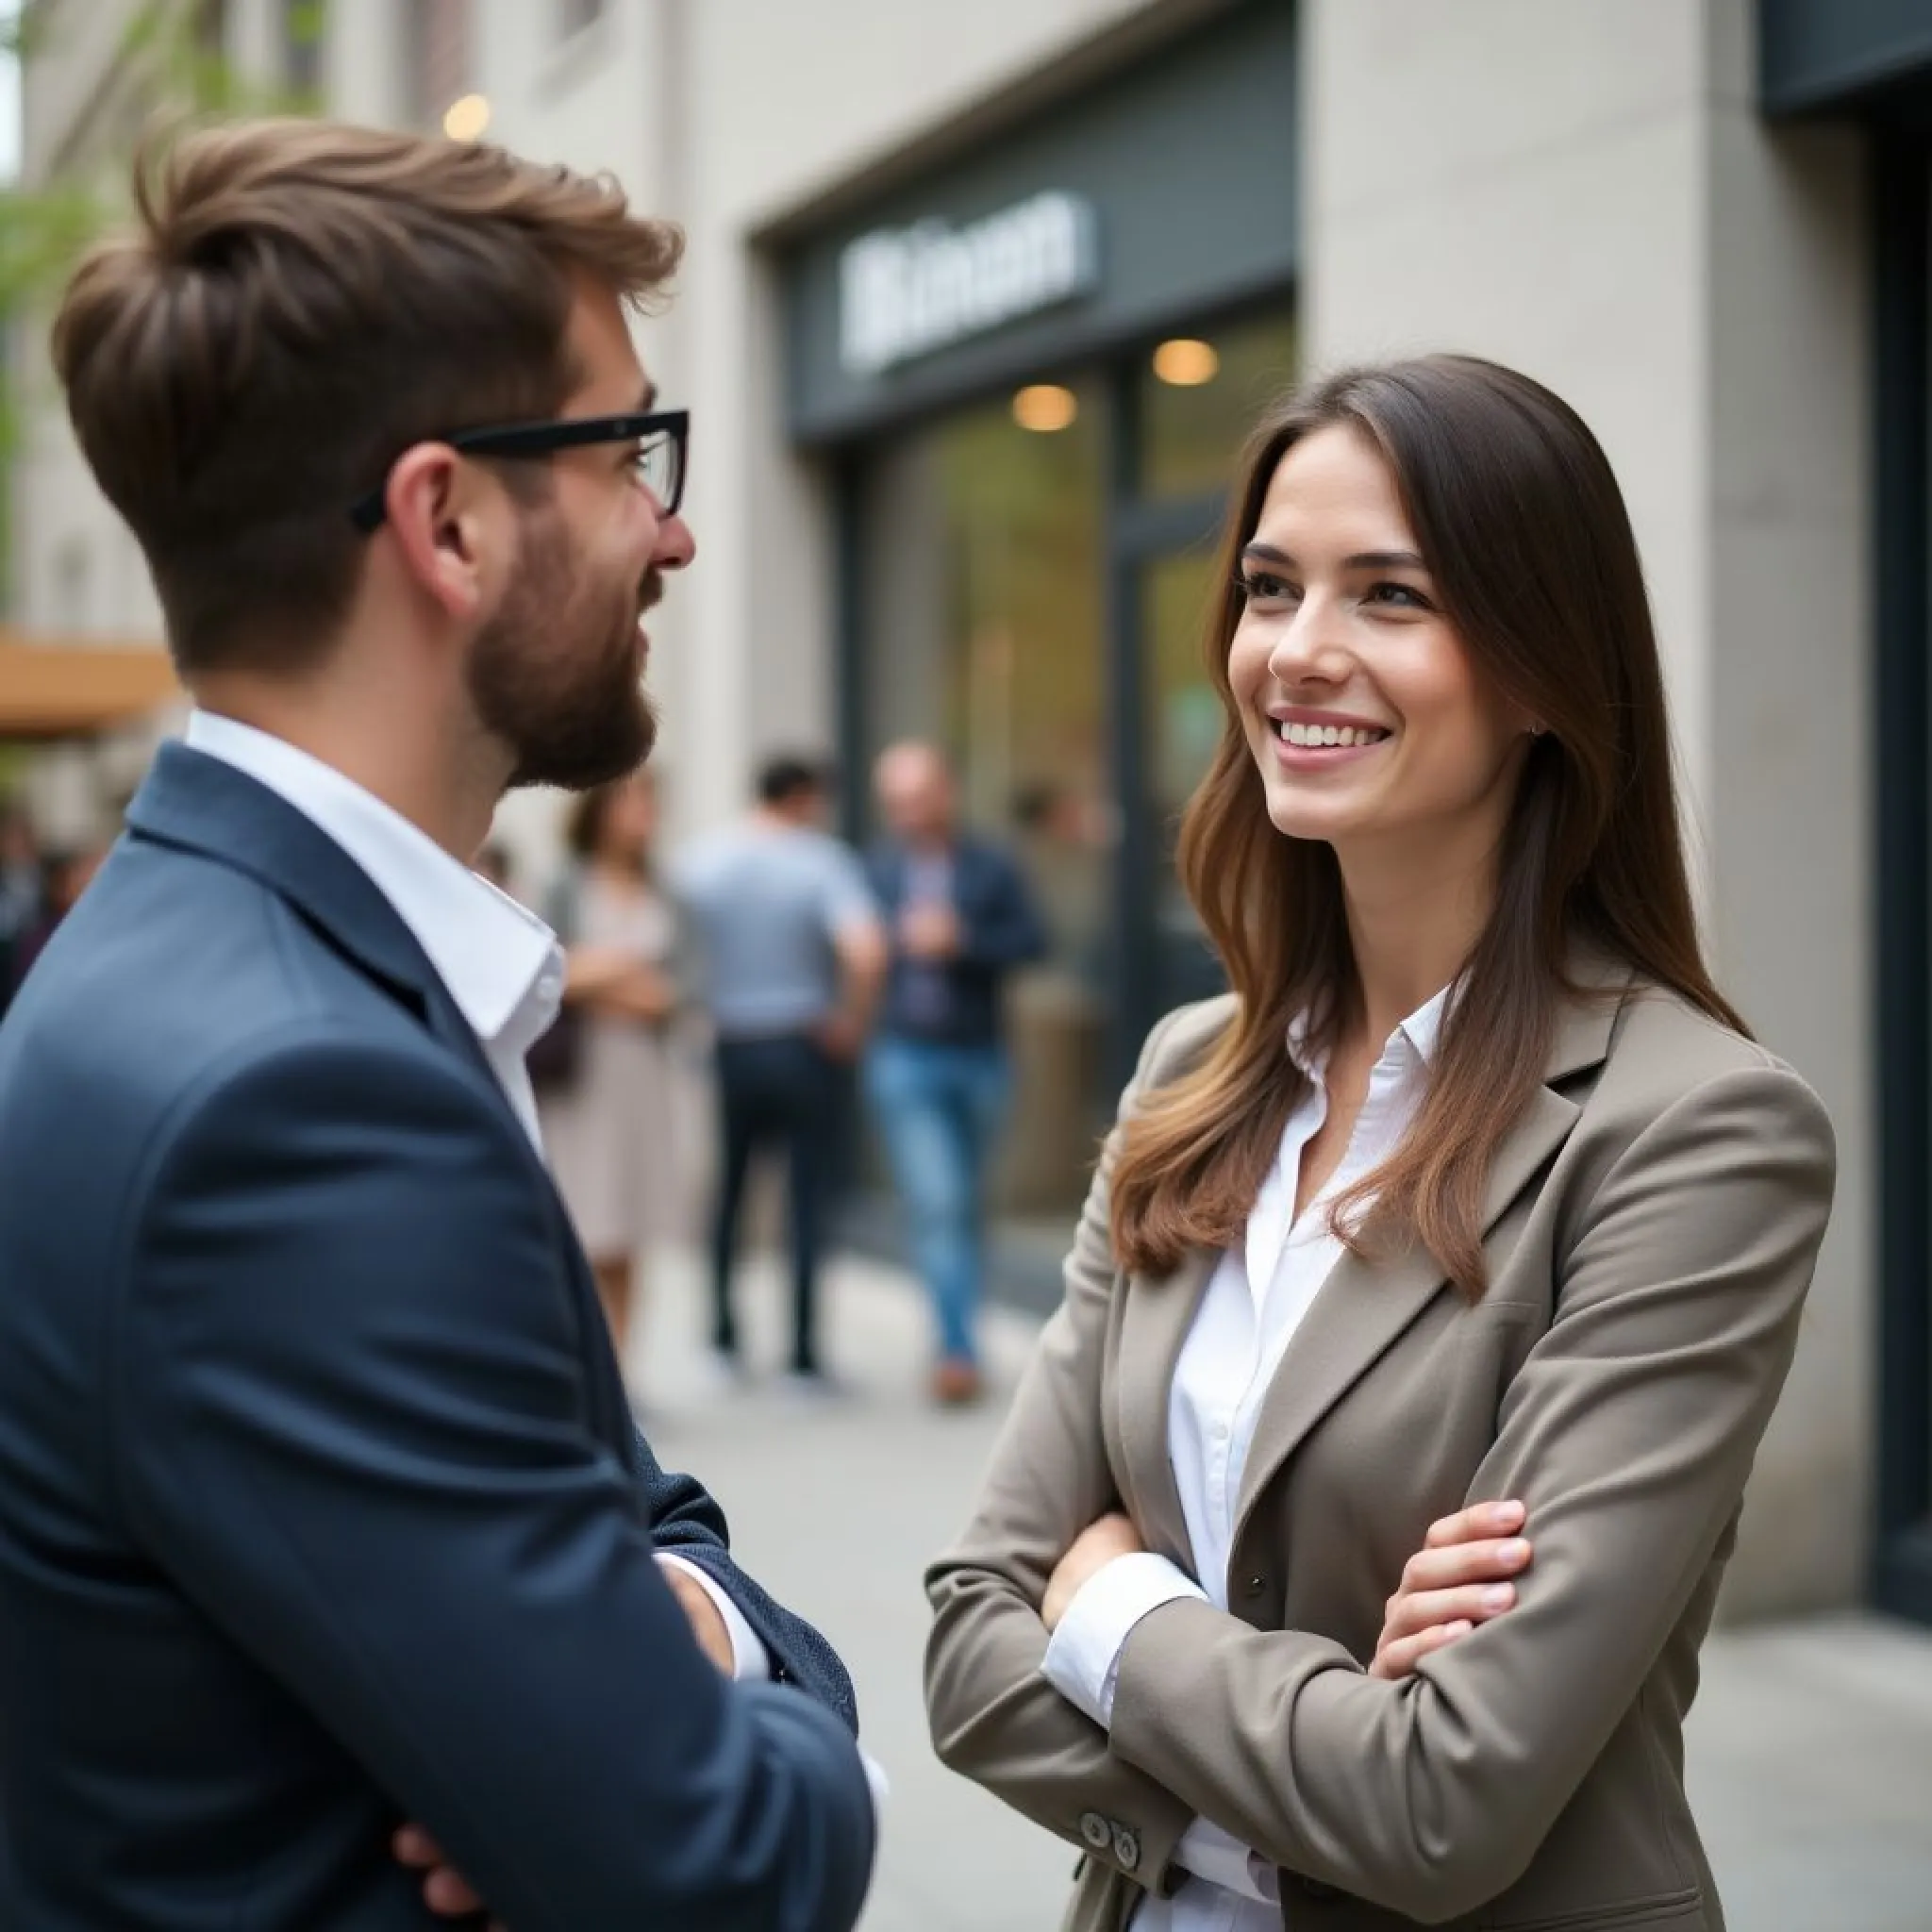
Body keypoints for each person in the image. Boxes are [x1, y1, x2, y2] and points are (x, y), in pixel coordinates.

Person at [0, 120, 874, 1932]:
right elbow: (724, 1867)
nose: (676, 526)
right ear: (449, 520)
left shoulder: (188, 958)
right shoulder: (297, 1102)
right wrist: (778, 1689)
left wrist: (677, 1622)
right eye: (630, 450)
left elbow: (631, 1506)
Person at [923, 357, 1836, 1932]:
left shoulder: (1694, 1133)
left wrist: (1115, 1606)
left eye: (1388, 595)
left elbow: (1440, 1802)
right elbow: (961, 1645)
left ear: (1547, 670)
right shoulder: (1184, 1078)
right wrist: (1307, 1749)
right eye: (1269, 587)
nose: (1296, 652)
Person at [676, 754, 886, 1391]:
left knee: (730, 1195)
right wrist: (852, 1020)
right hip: (802, 1043)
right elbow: (867, 950)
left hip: (732, 1041)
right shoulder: (821, 861)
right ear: (803, 797)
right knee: (804, 1201)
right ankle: (801, 1357)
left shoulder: (703, 862)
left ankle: (722, 1341)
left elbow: (673, 943)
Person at [866, 741, 1045, 1404]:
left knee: (967, 1205)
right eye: (895, 804)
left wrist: (960, 940)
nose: (907, 815)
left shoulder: (991, 865)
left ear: (946, 793)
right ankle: (956, 1351)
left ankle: (956, 1326)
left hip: (980, 1057)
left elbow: (1033, 941)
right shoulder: (875, 872)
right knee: (938, 1201)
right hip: (904, 1056)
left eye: (917, 799)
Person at [540, 767, 690, 1364]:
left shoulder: (669, 892)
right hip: (580, 1076)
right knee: (582, 1223)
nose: (641, 816)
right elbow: (549, 974)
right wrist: (625, 973)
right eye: (629, 802)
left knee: (629, 1228)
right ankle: (581, 1371)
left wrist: (601, 974)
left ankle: (622, 1377)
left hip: (643, 1076)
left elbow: (679, 993)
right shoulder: (566, 886)